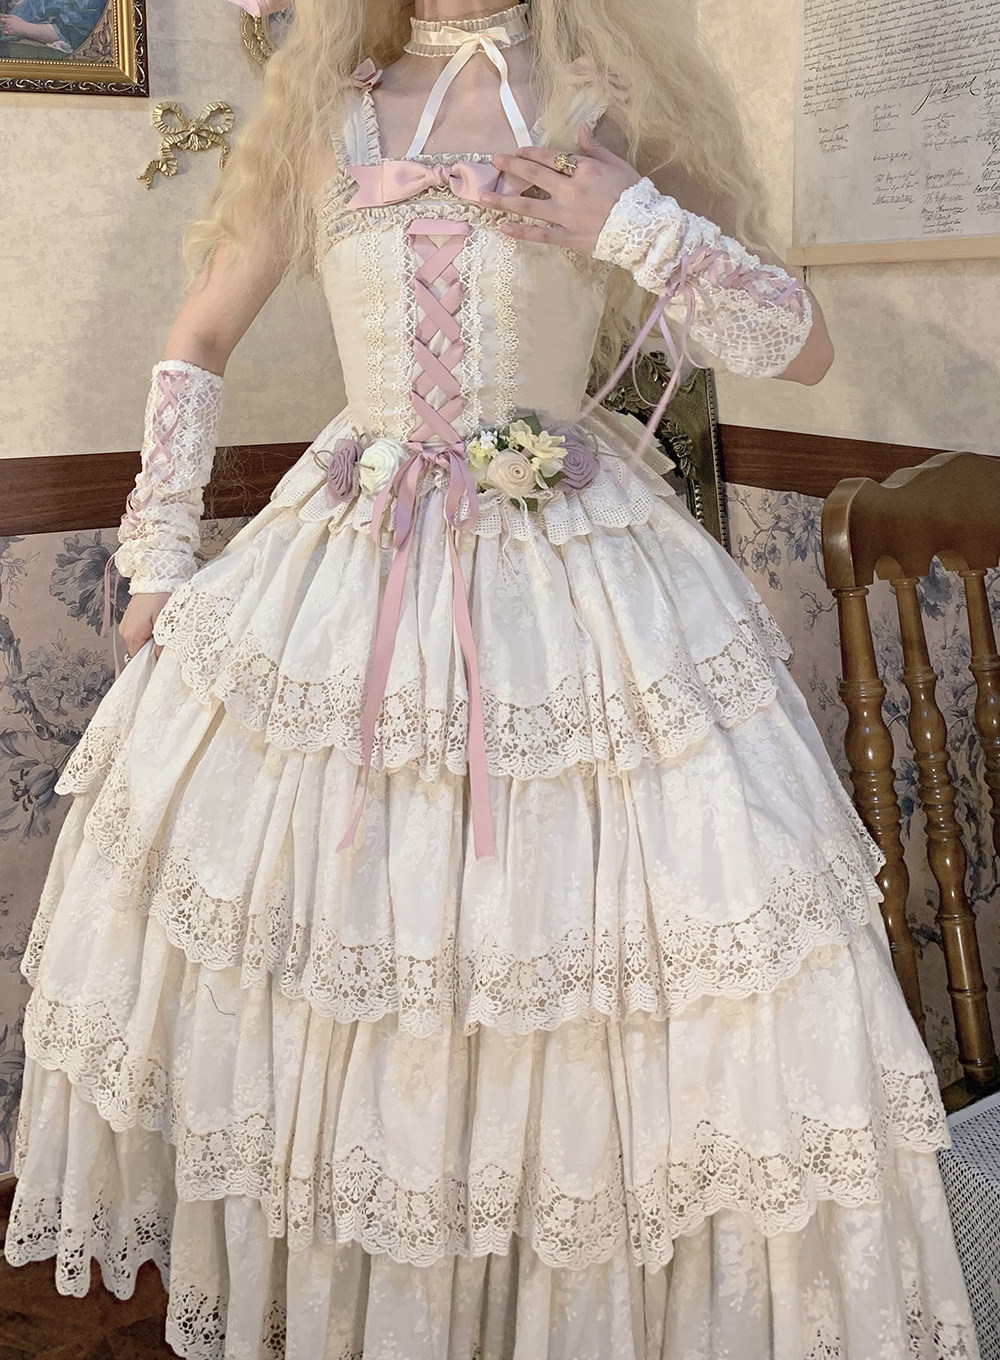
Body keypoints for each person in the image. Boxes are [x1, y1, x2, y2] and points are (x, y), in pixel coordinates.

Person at [4, 1, 979, 1357]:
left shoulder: (604, 95)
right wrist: (159, 552)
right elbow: (203, 331)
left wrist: (635, 223)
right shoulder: (325, 103)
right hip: (350, 574)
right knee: (366, 955)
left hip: (580, 587)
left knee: (594, 959)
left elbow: (798, 344)